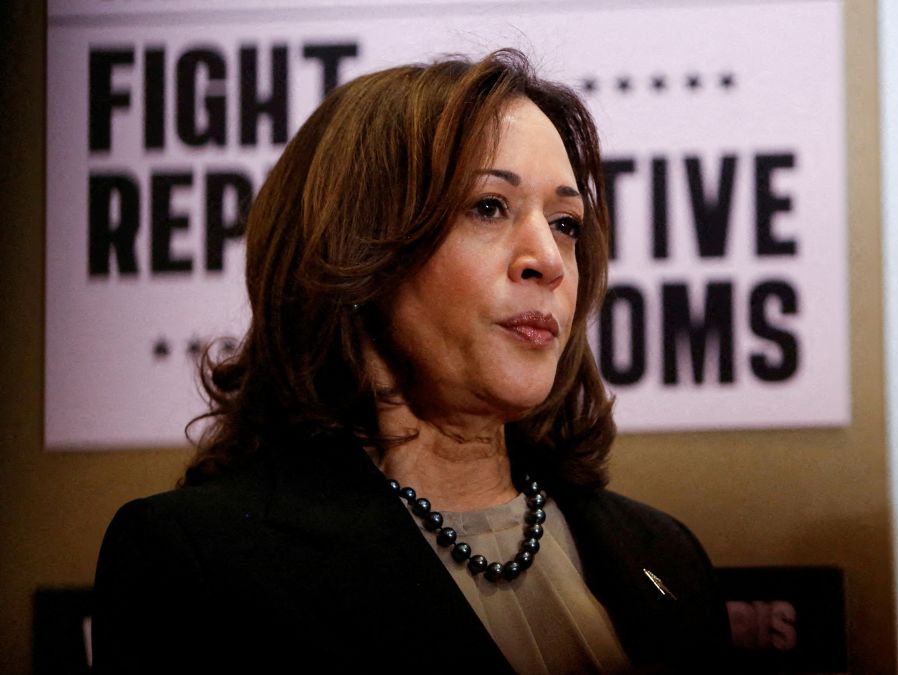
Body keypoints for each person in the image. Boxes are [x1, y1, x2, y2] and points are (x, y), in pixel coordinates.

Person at [92, 49, 730, 674]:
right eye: (487, 207)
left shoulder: (666, 556)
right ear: (355, 252)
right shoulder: (199, 562)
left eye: (565, 222)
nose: (550, 260)